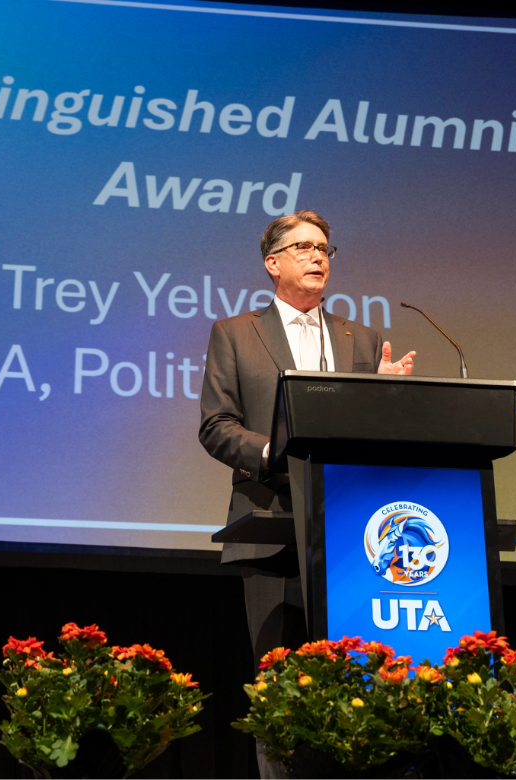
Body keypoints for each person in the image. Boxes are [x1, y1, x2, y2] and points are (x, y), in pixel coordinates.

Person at [199, 211, 415, 778]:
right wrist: (272, 451)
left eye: (324, 248)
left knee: (354, 682)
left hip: (350, 535)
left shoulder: (361, 338)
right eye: (303, 247)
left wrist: (386, 401)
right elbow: (216, 425)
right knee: (277, 689)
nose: (318, 256)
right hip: (270, 526)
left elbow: (369, 434)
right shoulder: (235, 334)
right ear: (273, 263)